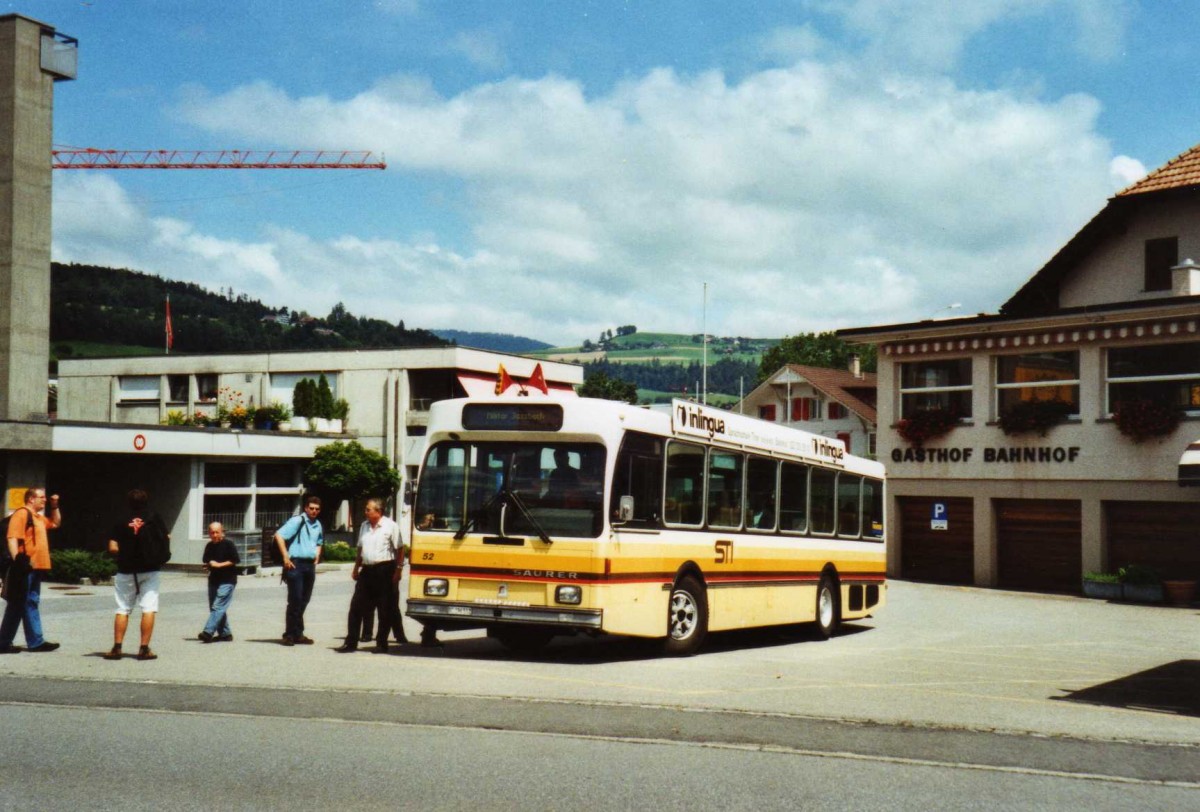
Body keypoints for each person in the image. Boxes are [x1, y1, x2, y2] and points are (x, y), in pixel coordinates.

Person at [105, 489, 169, 661]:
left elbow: (112, 547)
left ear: (129, 502)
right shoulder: (154, 517)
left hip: (126, 570)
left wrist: (125, 553)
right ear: (146, 501)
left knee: (122, 609)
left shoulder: (120, 519)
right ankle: (144, 649)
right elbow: (166, 537)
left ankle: (117, 648)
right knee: (148, 608)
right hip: (150, 569)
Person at [0, 488, 62, 654]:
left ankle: (32, 642)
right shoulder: (22, 514)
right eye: (41, 497)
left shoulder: (38, 517)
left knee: (28, 602)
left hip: (37, 567)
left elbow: (56, 523)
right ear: (30, 499)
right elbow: (12, 537)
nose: (45, 500)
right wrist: (18, 561)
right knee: (18, 603)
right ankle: (7, 642)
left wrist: (55, 506)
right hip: (25, 567)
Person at [337, 498, 400, 653]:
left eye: (368, 509)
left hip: (385, 569)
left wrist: (398, 570)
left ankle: (381, 643)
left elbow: (400, 549)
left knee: (384, 608)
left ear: (378, 511)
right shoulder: (364, 526)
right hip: (367, 570)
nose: (365, 512)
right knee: (356, 607)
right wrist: (356, 568)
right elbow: (360, 548)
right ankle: (351, 642)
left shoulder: (391, 526)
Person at [275, 495, 323, 646]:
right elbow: (279, 535)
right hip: (295, 564)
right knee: (295, 600)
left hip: (309, 565)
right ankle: (289, 634)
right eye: (311, 508)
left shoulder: (318, 524)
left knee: (304, 600)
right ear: (306, 508)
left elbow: (319, 541)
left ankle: (298, 633)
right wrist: (285, 557)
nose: (314, 511)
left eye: (317, 509)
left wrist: (317, 556)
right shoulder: (297, 521)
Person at [199, 522, 239, 643]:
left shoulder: (228, 544)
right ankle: (225, 634)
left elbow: (235, 560)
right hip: (214, 579)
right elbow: (207, 560)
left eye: (217, 532)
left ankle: (208, 631)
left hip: (228, 579)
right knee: (215, 607)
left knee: (218, 606)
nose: (215, 535)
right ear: (209, 533)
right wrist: (208, 565)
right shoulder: (209, 546)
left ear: (222, 532)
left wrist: (219, 565)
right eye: (212, 532)